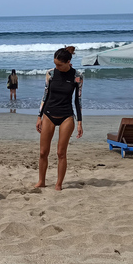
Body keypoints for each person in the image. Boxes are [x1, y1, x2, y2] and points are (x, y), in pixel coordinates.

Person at [35, 48, 83, 191]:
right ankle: (41, 181)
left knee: (61, 153)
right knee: (43, 152)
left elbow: (77, 100)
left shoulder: (77, 76)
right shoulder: (51, 74)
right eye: (55, 64)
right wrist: (39, 116)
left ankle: (58, 184)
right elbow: (45, 96)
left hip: (66, 116)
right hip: (49, 114)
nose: (57, 67)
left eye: (60, 65)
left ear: (68, 62)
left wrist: (80, 122)